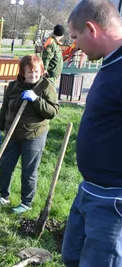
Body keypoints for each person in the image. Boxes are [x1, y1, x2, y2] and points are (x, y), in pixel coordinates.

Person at [62, 1, 122, 266]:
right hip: (90, 189)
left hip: (112, 201)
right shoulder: (111, 64)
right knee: (71, 258)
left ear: (91, 29)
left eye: (75, 38)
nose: (75, 46)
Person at [0, 54, 59, 214]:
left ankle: (26, 202)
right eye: (29, 72)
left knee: (29, 170)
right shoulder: (13, 87)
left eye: (36, 72)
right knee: (5, 166)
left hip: (34, 134)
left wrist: (36, 99)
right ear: (22, 73)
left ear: (41, 71)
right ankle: (3, 196)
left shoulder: (46, 87)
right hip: (12, 134)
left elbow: (53, 111)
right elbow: (4, 109)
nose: (33, 75)